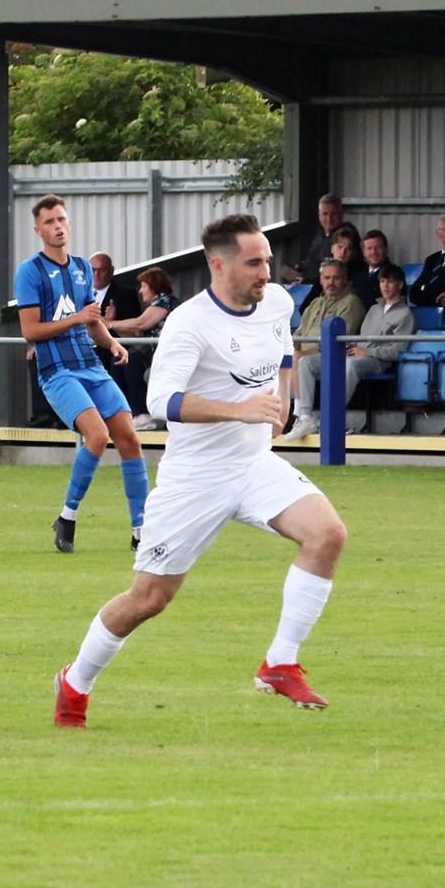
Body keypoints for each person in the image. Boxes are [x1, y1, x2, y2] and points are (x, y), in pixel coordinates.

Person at [53, 213, 347, 727]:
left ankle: (279, 662)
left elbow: (280, 346)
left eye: (267, 261)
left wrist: (280, 399)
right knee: (148, 599)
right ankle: (75, 682)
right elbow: (160, 399)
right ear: (219, 265)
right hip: (195, 478)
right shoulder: (190, 322)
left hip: (254, 464)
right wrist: (239, 409)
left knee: (327, 535)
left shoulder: (276, 301)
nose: (265, 272)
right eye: (254, 263)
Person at [13, 194, 148, 554]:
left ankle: (142, 529)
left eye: (62, 219)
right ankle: (68, 516)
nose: (57, 226)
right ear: (38, 229)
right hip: (58, 371)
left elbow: (92, 322)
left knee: (130, 439)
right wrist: (77, 319)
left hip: (91, 365)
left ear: (68, 223)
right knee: (97, 436)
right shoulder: (29, 272)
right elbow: (30, 331)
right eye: (50, 222)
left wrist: (112, 343)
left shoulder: (82, 267)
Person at [284, 263, 416, 441]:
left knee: (350, 364)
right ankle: (305, 417)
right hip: (356, 353)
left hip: (377, 361)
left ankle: (331, 418)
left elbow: (397, 350)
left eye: (390, 281)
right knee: (305, 362)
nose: (385, 286)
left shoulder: (405, 314)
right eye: (382, 281)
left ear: (400, 285)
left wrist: (366, 351)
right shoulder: (374, 309)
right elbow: (361, 337)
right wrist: (349, 346)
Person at [291, 258, 367, 420]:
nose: (331, 282)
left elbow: (339, 340)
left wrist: (303, 352)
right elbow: (299, 332)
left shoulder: (351, 302)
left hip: (333, 355)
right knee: (281, 356)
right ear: (320, 280)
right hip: (305, 354)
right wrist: (294, 346)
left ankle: (299, 414)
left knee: (298, 359)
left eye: (336, 278)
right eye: (327, 278)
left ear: (345, 279)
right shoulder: (315, 303)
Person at [106, 266, 180, 429]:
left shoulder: (166, 301)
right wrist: (112, 324)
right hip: (153, 354)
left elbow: (141, 324)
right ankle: (127, 413)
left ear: (154, 286)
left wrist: (109, 323)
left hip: (167, 357)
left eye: (144, 286)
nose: (140, 291)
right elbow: (135, 335)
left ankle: (143, 414)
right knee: (119, 360)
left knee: (131, 362)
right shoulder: (154, 306)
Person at [88, 252, 141, 398]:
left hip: (108, 350)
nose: (96, 274)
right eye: (93, 270)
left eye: (102, 270)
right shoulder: (76, 294)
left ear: (111, 270)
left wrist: (110, 322)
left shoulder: (126, 294)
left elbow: (135, 332)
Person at [299, 224, 361, 314]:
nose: (343, 252)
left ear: (354, 253)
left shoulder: (358, 275)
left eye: (348, 249)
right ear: (332, 249)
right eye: (339, 247)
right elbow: (305, 308)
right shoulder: (325, 270)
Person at [284, 192, 344, 284]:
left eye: (333, 214)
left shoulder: (345, 236)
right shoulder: (320, 236)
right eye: (325, 214)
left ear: (341, 215)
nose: (329, 219)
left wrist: (306, 281)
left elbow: (337, 271)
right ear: (319, 215)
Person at [409, 214, 445, 306]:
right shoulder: (431, 260)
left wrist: (426, 294)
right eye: (444, 229)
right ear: (438, 233)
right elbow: (414, 293)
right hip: (428, 307)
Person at [355, 229, 391, 308]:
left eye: (378, 247)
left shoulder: (393, 274)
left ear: (386, 249)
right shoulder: (357, 273)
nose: (373, 252)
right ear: (363, 252)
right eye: (369, 248)